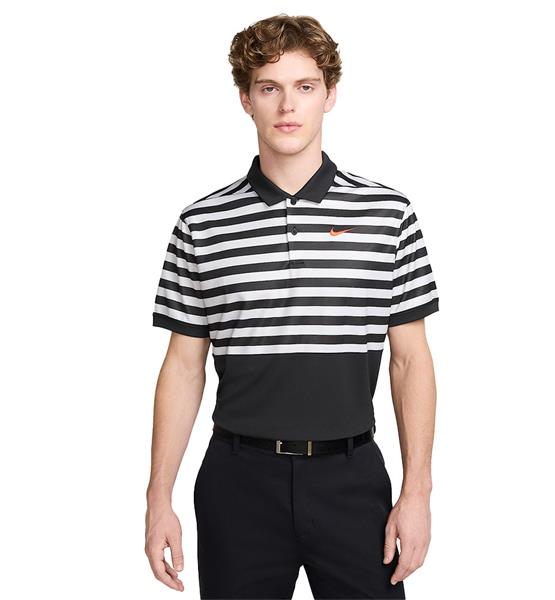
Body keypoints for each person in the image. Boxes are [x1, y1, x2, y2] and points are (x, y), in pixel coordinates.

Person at [145, 14, 439, 599]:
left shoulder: (388, 216)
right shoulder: (201, 224)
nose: (287, 105)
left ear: (330, 95)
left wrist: (417, 493)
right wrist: (158, 499)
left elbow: (410, 362)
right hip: (238, 483)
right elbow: (182, 366)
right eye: (268, 87)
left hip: (353, 479)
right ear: (245, 99)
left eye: (305, 86)